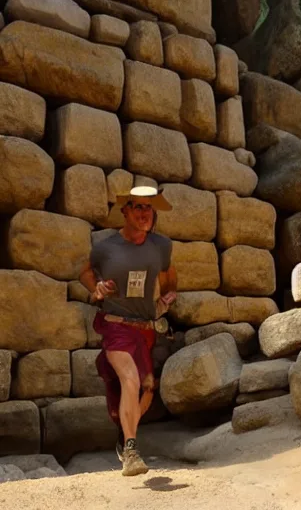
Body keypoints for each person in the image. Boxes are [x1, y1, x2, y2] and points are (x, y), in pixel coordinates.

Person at [79, 186, 177, 477]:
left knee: (147, 388)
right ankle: (132, 451)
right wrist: (95, 289)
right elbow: (85, 272)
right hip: (115, 325)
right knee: (130, 378)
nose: (144, 214)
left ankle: (124, 435)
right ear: (125, 211)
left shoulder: (161, 246)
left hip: (144, 329)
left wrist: (168, 298)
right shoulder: (105, 248)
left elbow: (169, 277)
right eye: (138, 208)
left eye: (149, 209)